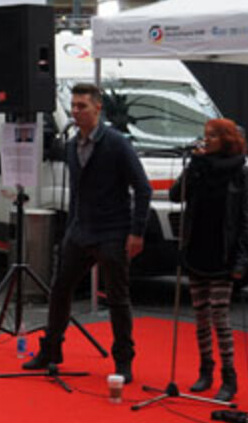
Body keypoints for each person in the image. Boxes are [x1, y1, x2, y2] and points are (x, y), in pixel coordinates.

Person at [25, 83, 153, 382]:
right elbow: (79, 191)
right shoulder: (71, 145)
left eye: (82, 106)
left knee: (117, 298)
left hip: (113, 231)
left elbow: (143, 189)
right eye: (74, 105)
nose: (76, 111)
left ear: (98, 108)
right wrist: (72, 227)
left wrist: (136, 232)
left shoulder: (116, 143)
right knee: (59, 288)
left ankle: (124, 360)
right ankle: (51, 349)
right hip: (81, 230)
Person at [169, 118, 248, 401]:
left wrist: (242, 258)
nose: (207, 141)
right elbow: (174, 196)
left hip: (223, 251)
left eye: (213, 136)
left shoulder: (240, 171)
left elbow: (245, 218)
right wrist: (192, 167)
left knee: (220, 314)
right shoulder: (198, 168)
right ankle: (206, 369)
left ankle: (230, 375)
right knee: (201, 315)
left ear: (226, 139)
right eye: (205, 136)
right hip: (197, 247)